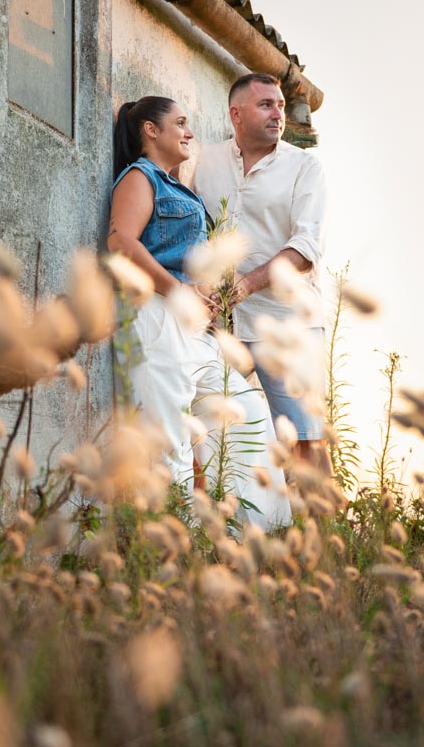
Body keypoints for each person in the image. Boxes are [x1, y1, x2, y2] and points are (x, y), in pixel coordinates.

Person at [109, 96, 290, 530]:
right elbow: (121, 243)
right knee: (166, 438)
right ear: (151, 131)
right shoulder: (140, 177)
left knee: (248, 421)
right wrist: (179, 293)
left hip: (194, 330)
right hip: (154, 315)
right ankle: (168, 553)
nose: (190, 133)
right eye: (181, 123)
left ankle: (256, 540)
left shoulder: (181, 189)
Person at [192, 72, 330, 475]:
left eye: (281, 106)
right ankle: (207, 530)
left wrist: (247, 284)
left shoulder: (305, 168)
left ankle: (316, 533)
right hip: (219, 326)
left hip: (288, 325)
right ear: (236, 114)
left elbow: (306, 248)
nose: (277, 114)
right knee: (203, 426)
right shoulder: (206, 160)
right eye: (265, 105)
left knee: (304, 441)